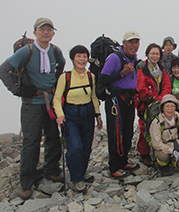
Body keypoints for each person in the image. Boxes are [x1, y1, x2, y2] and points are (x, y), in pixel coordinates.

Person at [0, 18, 66, 200]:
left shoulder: (55, 50)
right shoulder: (25, 51)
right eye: (42, 29)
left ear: (53, 33)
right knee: (31, 142)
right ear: (35, 32)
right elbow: (2, 70)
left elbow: (61, 65)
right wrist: (16, 89)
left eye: (49, 30)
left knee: (53, 137)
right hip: (32, 103)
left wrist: (55, 86)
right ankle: (26, 182)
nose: (45, 32)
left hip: (51, 102)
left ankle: (51, 170)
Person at [53, 45, 103, 193]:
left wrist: (98, 114)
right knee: (75, 147)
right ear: (73, 59)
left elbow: (93, 96)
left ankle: (81, 172)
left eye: (84, 56)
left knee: (86, 146)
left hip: (88, 113)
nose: (82, 59)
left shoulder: (90, 76)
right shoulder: (65, 77)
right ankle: (77, 179)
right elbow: (57, 98)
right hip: (71, 114)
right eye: (78, 56)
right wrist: (60, 114)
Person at [99, 30, 141, 180]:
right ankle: (114, 166)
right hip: (115, 101)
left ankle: (123, 161)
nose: (134, 45)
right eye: (131, 42)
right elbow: (103, 78)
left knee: (128, 131)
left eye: (136, 42)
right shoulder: (115, 58)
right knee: (116, 133)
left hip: (128, 100)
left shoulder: (134, 58)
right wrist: (122, 73)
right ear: (124, 43)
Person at [137, 43, 172, 166]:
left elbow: (167, 84)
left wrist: (161, 98)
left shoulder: (160, 68)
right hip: (146, 104)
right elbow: (141, 87)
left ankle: (157, 154)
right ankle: (144, 153)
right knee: (145, 128)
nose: (155, 56)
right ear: (147, 54)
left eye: (157, 53)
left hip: (158, 103)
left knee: (158, 128)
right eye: (152, 53)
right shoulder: (142, 68)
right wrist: (155, 99)